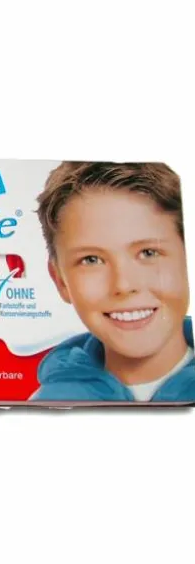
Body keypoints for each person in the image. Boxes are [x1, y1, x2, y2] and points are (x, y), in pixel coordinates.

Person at [31, 162, 194, 402]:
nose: (123, 285)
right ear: (60, 281)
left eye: (148, 253)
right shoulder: (44, 404)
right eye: (91, 260)